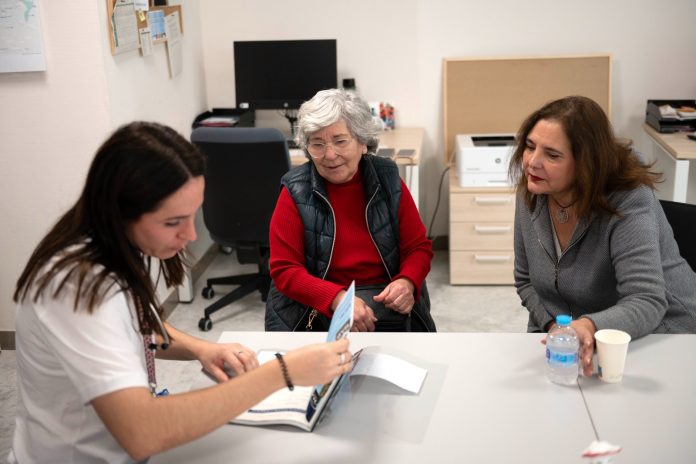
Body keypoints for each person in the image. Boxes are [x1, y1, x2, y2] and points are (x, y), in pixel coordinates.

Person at [10, 122, 352, 463]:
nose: (189, 235)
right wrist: (282, 373)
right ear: (119, 210)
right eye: (173, 222)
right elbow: (143, 433)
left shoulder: (110, 246)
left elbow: (135, 324)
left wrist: (200, 349)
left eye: (192, 217)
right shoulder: (76, 288)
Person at [509, 95, 696, 376]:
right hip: (580, 341)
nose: (531, 162)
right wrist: (556, 328)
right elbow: (525, 281)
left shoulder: (629, 199)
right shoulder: (534, 191)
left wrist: (587, 327)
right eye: (530, 146)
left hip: (662, 333)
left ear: (585, 163)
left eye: (552, 155)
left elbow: (646, 299)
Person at [265, 89, 436, 332]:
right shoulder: (295, 191)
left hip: (388, 306)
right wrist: (338, 300)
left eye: (340, 141)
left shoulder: (388, 180)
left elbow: (418, 247)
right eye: (317, 144)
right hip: (319, 310)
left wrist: (407, 281)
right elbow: (284, 270)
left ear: (363, 142)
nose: (329, 155)